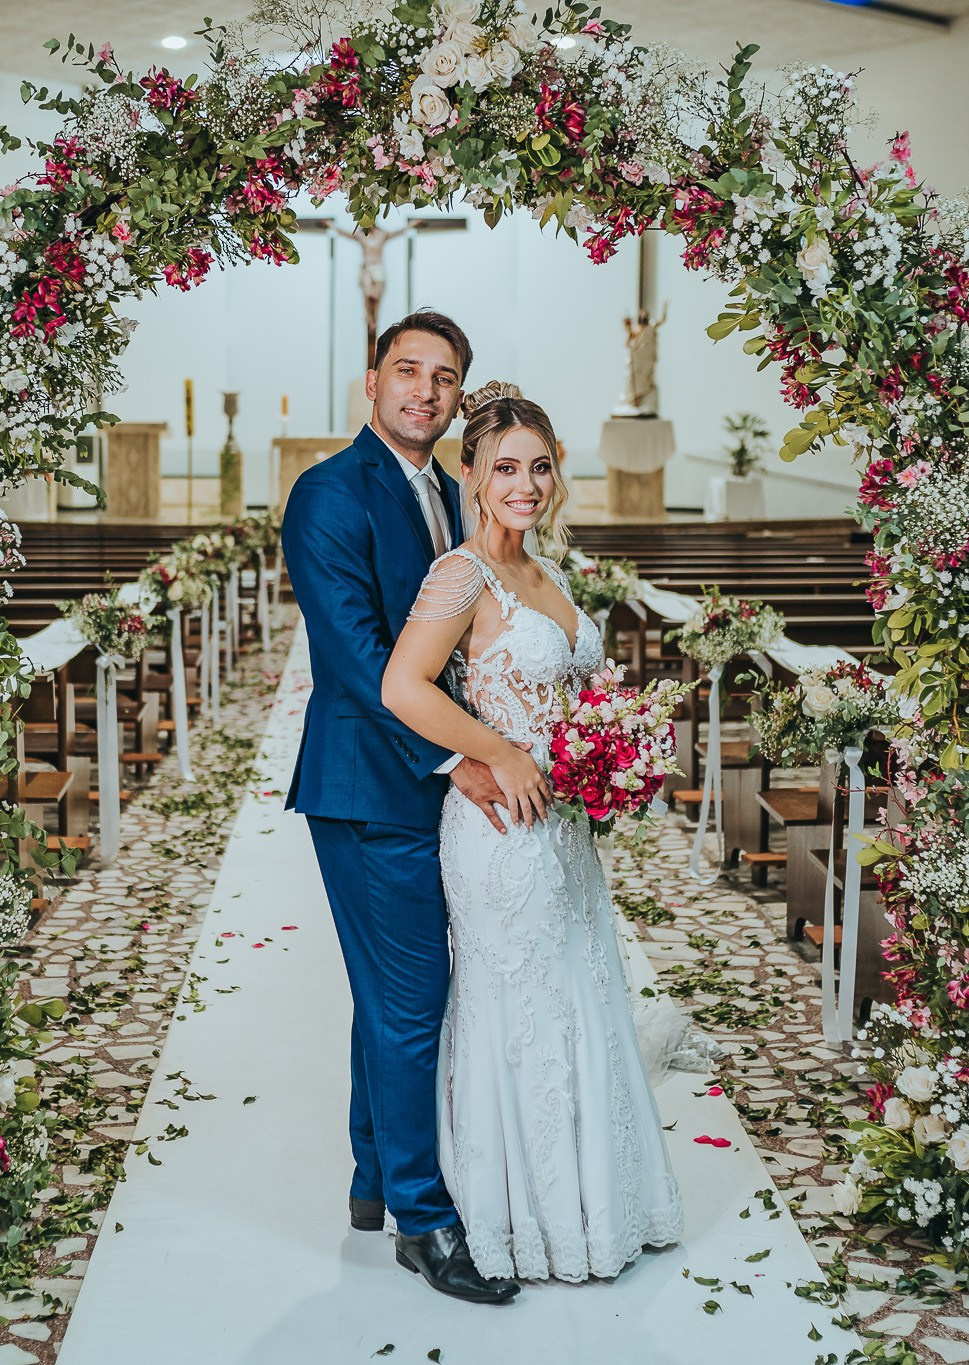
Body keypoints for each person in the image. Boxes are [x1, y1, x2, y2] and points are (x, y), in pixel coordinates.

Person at [381, 382, 684, 1283]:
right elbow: (404, 686)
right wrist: (501, 755)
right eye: (505, 467)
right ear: (469, 473)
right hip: (503, 830)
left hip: (565, 827)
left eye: (539, 466)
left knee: (579, 992)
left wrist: (612, 746)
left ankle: (597, 1207)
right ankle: (519, 1220)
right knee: (518, 1008)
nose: (525, 483)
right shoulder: (462, 573)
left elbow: (572, 690)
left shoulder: (544, 571)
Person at [279, 309, 522, 1304]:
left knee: (391, 993)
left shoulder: (445, 492)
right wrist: (454, 762)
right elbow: (354, 657)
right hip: (370, 787)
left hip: (414, 777)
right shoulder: (329, 493)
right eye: (407, 371)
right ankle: (425, 1221)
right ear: (369, 383)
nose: (424, 390)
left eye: (444, 376)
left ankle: (374, 1174)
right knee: (413, 1001)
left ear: (458, 397)